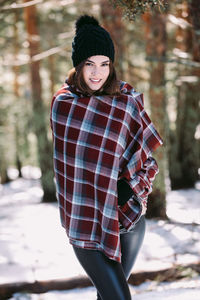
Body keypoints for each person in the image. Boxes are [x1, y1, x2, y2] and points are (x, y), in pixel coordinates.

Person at [50, 15, 163, 300]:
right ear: (78, 65)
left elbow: (148, 161)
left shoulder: (127, 102)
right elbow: (72, 168)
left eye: (104, 64)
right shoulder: (63, 106)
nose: (97, 73)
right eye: (89, 64)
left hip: (129, 221)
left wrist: (129, 189)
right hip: (86, 220)